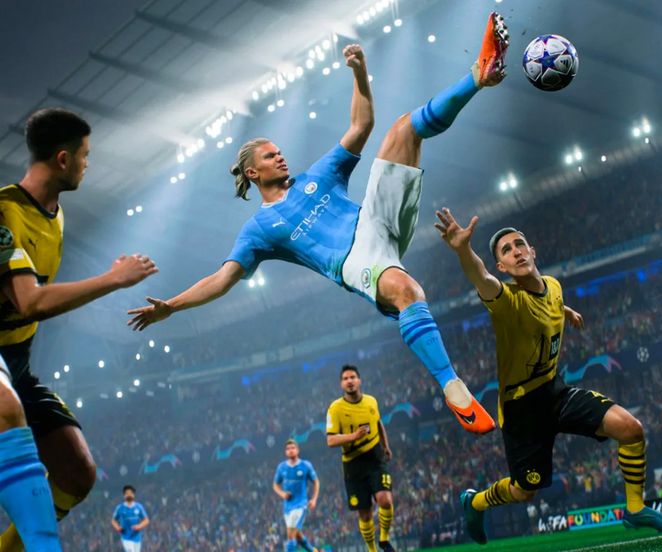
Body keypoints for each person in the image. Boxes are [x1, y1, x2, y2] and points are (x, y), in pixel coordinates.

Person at [127, 12, 512, 435]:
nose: (280, 156)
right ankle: (452, 385)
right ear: (253, 173)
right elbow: (222, 280)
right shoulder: (260, 228)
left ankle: (479, 73)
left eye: (278, 151)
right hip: (353, 261)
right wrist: (172, 306)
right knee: (407, 291)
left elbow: (362, 125)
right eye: (270, 155)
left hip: (375, 220)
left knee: (403, 129)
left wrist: (360, 74)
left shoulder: (319, 175)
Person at [432, 211, 662, 543]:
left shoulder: (553, 286)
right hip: (521, 411)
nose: (516, 251)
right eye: (506, 251)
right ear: (502, 268)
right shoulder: (505, 301)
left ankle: (636, 509)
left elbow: (549, 301)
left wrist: (566, 310)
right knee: (525, 491)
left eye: (520, 244)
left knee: (631, 429)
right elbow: (481, 278)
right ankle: (475, 501)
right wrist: (464, 251)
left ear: (533, 251)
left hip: (555, 391)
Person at [0, 108, 158, 551]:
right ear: (64, 159)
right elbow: (29, 302)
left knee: (77, 471)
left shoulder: (56, 215)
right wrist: (114, 279)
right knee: (8, 412)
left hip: (16, 363)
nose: (90, 165)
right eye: (86, 156)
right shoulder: (4, 212)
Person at [326, 365, 394, 552]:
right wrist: (353, 437)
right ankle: (371, 549)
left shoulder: (371, 402)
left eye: (353, 377)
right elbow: (330, 440)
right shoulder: (335, 408)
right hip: (353, 464)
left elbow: (378, 423)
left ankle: (384, 540)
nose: (349, 381)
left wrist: (385, 445)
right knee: (365, 513)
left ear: (359, 380)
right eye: (346, 378)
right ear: (341, 384)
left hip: (374, 457)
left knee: (385, 499)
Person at [273, 439, 320, 552]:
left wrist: (314, 499)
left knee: (290, 535)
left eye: (293, 448)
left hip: (300, 505)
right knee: (297, 535)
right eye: (288, 449)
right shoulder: (282, 467)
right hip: (287, 507)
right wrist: (282, 493)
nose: (290, 450)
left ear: (298, 450)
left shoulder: (306, 465)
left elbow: (316, 481)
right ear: (285, 452)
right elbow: (275, 484)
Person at [112, 485, 150, 552]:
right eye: (127, 493)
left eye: (130, 493)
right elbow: (113, 520)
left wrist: (139, 526)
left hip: (137, 537)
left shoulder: (139, 507)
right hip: (126, 537)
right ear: (124, 496)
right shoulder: (120, 508)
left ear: (133, 495)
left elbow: (146, 520)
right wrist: (117, 527)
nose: (129, 495)